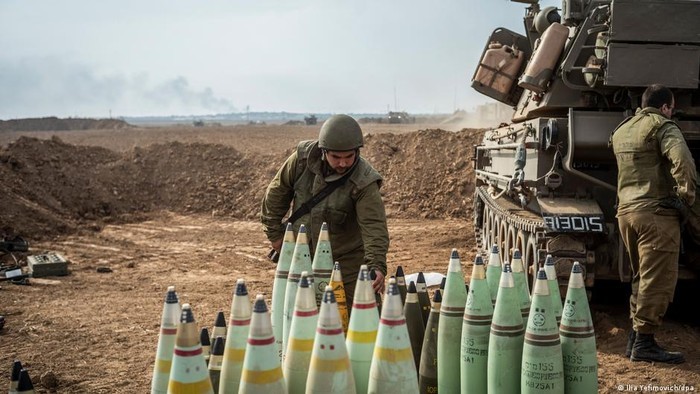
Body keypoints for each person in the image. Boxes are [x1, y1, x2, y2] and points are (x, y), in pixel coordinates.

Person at [261, 114, 389, 307]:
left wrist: (376, 265)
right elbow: (276, 193)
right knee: (298, 313)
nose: (343, 164)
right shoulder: (301, 161)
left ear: (357, 151)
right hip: (301, 254)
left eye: (349, 157)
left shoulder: (364, 181)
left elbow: (374, 225)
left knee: (361, 309)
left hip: (346, 260)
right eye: (336, 157)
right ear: (323, 151)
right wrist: (275, 235)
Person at [611, 84, 695, 364]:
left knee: (641, 278)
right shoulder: (663, 126)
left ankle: (634, 340)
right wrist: (686, 197)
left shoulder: (623, 129)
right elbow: (682, 160)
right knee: (657, 281)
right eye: (671, 108)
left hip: (627, 213)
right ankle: (645, 344)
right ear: (665, 107)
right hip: (656, 214)